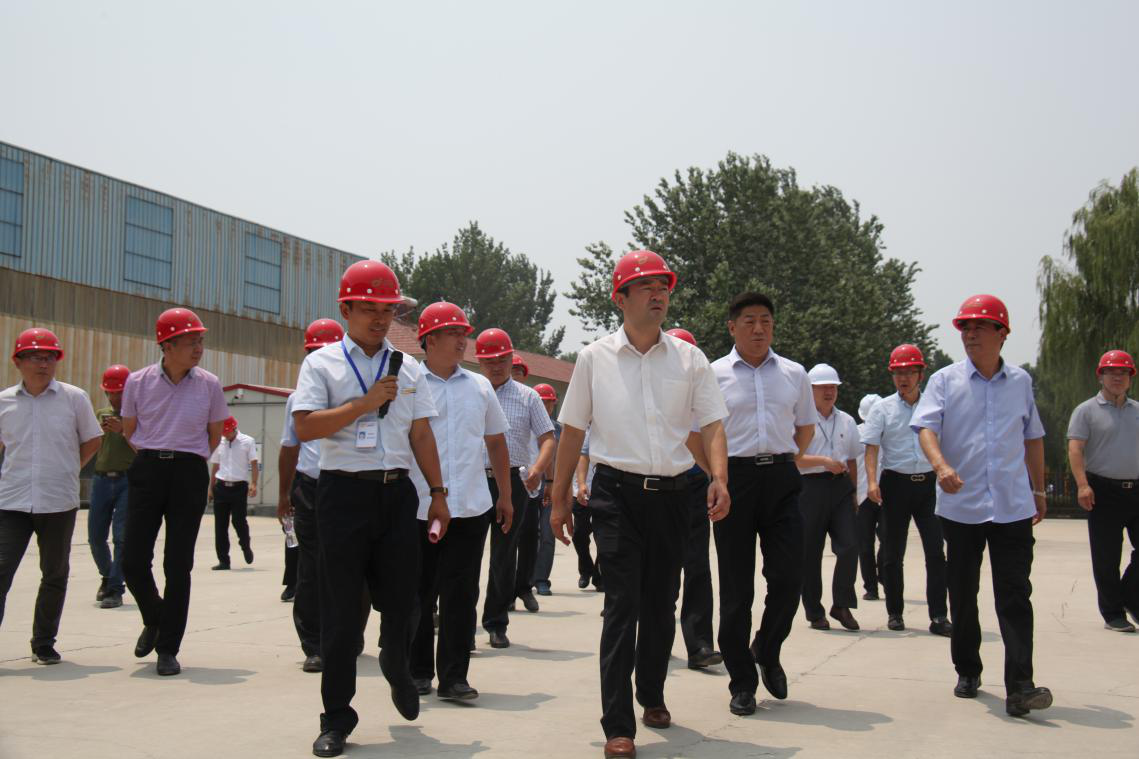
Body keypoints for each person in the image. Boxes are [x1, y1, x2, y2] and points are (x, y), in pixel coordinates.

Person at [550, 249, 730, 759]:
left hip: (674, 495)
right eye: (647, 286)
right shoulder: (594, 359)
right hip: (615, 495)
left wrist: (719, 477)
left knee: (661, 602)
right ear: (621, 298)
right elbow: (572, 431)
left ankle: (651, 692)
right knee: (621, 604)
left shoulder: (689, 359)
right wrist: (559, 501)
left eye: (663, 287)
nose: (658, 294)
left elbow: (712, 424)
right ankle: (617, 723)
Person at [292, 260, 451, 757]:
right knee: (342, 616)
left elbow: (421, 434)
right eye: (370, 309)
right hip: (342, 495)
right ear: (346, 310)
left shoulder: (409, 369)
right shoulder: (322, 364)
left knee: (406, 602)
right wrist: (361, 404)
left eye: (388, 310)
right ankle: (336, 718)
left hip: (397, 494)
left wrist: (439, 493)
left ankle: (396, 663)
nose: (381, 319)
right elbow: (305, 427)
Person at [912, 293, 1053, 718]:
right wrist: (941, 466)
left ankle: (1020, 685)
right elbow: (925, 428)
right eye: (965, 328)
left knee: (1015, 594)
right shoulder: (945, 381)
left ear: (1002, 333)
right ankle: (968, 669)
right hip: (962, 507)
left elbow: (1033, 437)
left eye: (980, 327)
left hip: (1012, 506)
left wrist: (1039, 491)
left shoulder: (1021, 382)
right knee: (963, 593)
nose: (970, 334)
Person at [708, 293, 816, 715]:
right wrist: (716, 476)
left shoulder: (794, 373)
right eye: (749, 321)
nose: (758, 329)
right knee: (737, 589)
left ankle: (767, 649)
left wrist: (784, 458)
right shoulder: (713, 373)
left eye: (766, 321)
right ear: (732, 327)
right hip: (734, 480)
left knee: (789, 578)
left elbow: (805, 428)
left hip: (782, 478)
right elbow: (697, 432)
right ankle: (742, 681)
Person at [408, 301, 512, 701]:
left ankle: (453, 677)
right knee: (418, 593)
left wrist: (505, 496)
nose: (462, 341)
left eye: (463, 334)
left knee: (461, 594)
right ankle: (418, 672)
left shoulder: (479, 386)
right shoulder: (409, 383)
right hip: (419, 507)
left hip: (470, 507)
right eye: (453, 333)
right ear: (429, 339)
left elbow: (496, 442)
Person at [121, 308, 230, 677]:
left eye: (200, 341)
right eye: (190, 341)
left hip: (188, 472)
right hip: (148, 469)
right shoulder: (137, 382)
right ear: (167, 345)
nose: (199, 348)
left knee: (178, 563)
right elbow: (130, 430)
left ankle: (168, 648)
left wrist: (185, 457)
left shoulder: (209, 384)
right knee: (132, 560)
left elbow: (214, 435)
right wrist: (155, 455)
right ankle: (155, 617)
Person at [0, 328, 103, 665]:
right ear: (18, 362)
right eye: (35, 357)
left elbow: (93, 439)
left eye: (49, 357)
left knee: (55, 573)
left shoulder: (74, 398)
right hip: (11, 501)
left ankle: (43, 642)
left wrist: (69, 468)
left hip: (58, 501)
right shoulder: (4, 402)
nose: (43, 364)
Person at [862, 344, 951, 636]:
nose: (904, 378)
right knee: (892, 552)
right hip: (895, 484)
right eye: (898, 373)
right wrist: (872, 481)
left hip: (928, 485)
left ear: (920, 375)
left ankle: (939, 615)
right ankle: (895, 613)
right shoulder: (882, 408)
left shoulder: (934, 406)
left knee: (935, 552)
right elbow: (872, 448)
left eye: (910, 372)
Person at [476, 328, 555, 646]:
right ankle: (461, 625)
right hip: (473, 479)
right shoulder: (471, 390)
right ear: (479, 362)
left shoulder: (528, 396)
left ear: (511, 359)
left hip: (512, 482)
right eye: (489, 361)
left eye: (501, 359)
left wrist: (539, 469)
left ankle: (496, 622)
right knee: (465, 555)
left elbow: (548, 438)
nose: (496, 366)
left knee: (504, 554)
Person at [279, 317, 345, 672]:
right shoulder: (298, 399)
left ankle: (347, 634)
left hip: (349, 485)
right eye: (314, 352)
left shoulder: (355, 392)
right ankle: (314, 644)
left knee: (348, 566)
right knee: (311, 566)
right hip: (311, 487)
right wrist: (283, 494)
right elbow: (289, 447)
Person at [1067, 349, 1139, 633]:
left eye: (1123, 373)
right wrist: (1082, 485)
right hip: (1103, 491)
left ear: (1131, 378)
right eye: (1111, 372)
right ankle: (1112, 613)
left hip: (1137, 489)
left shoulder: (1137, 411)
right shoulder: (1086, 411)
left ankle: (1130, 596)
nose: (1117, 377)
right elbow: (1075, 449)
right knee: (1107, 557)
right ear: (1101, 376)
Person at [664, 327, 721, 671]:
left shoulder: (706, 392)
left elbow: (716, 435)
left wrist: (717, 479)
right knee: (662, 569)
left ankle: (699, 644)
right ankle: (656, 638)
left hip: (696, 486)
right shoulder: (652, 392)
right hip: (661, 487)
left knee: (697, 565)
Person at [797, 363, 861, 632]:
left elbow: (852, 459)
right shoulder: (800, 420)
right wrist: (824, 462)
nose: (829, 392)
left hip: (841, 488)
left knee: (850, 545)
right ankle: (814, 611)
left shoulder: (846, 420)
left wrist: (854, 491)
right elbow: (794, 458)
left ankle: (842, 604)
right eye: (823, 387)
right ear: (810, 390)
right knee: (810, 552)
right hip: (809, 488)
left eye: (833, 387)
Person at [89, 364, 136, 609]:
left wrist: (123, 431)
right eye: (110, 392)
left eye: (118, 392)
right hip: (101, 480)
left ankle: (116, 589)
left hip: (127, 480)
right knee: (95, 537)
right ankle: (107, 576)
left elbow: (144, 446)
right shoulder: (100, 414)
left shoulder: (137, 416)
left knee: (121, 537)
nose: (113, 397)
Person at [208, 416, 259, 570]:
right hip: (221, 487)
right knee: (220, 526)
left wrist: (254, 483)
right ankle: (224, 560)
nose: (225, 435)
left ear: (234, 428)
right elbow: (215, 466)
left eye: (227, 432)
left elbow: (254, 463)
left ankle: (245, 546)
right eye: (223, 432)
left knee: (238, 521)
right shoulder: (219, 442)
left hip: (239, 488)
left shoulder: (247, 441)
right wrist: (211, 488)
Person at [532, 383, 561, 596]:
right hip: (527, 486)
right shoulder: (525, 424)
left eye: (549, 403)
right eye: (541, 402)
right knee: (527, 536)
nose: (545, 407)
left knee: (548, 535)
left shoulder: (559, 430)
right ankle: (523, 579)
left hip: (551, 488)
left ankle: (541, 579)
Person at [854, 393, 884, 602]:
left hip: (881, 494)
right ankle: (872, 585)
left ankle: (878, 578)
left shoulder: (889, 432)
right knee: (868, 544)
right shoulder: (855, 433)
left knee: (883, 541)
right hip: (864, 495)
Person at [573, 429, 603, 591]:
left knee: (603, 537)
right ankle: (586, 570)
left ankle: (599, 576)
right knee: (579, 535)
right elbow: (580, 456)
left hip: (604, 492)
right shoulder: (579, 430)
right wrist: (581, 484)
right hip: (580, 491)